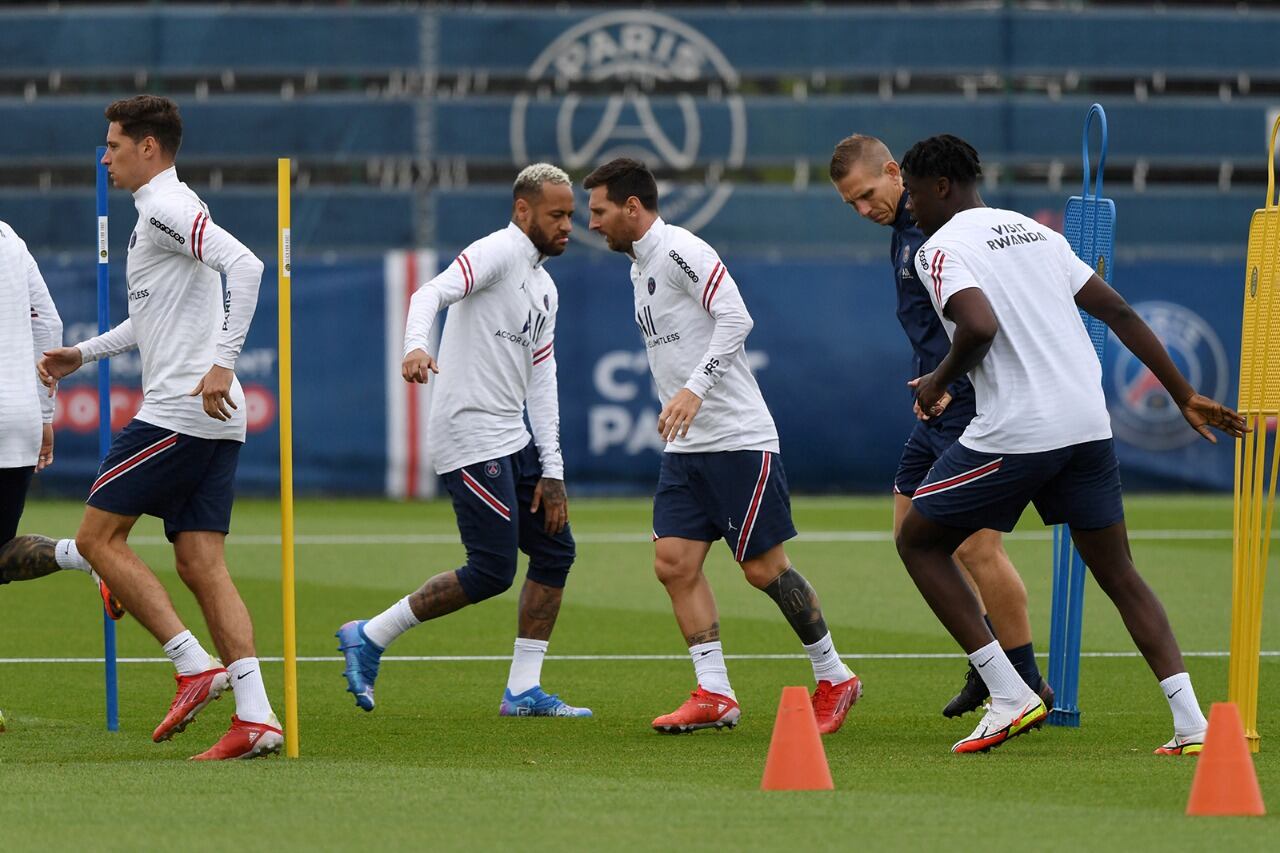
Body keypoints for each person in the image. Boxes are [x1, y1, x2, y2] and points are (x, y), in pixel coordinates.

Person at [894, 134, 1246, 754]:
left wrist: (938, 382)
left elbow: (978, 326)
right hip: (1087, 426)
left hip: (1019, 431)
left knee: (918, 542)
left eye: (915, 194)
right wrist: (1184, 393)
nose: (911, 208)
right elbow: (1120, 313)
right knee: (1120, 573)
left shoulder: (939, 248)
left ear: (942, 187)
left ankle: (1010, 694)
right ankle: (1192, 724)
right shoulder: (1038, 234)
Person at [38, 95, 280, 760]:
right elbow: (148, 321)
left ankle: (193, 664)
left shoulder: (167, 208)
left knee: (97, 538)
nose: (105, 157)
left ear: (148, 147)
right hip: (211, 420)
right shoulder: (166, 210)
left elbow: (249, 266)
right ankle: (256, 716)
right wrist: (82, 354)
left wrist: (223, 363)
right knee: (201, 563)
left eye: (114, 145)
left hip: (179, 410)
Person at [584, 158, 862, 735]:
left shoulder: (681, 249)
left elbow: (736, 317)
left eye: (599, 210)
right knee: (673, 563)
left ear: (632, 207)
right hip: (687, 449)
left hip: (737, 439)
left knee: (763, 569)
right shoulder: (639, 268)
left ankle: (835, 676)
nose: (592, 223)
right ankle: (715, 693)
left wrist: (694, 389)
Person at [337, 164, 591, 719]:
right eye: (557, 215)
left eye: (571, 215)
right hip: (471, 435)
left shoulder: (545, 288)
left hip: (514, 438)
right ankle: (370, 634)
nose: (568, 226)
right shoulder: (498, 251)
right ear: (523, 210)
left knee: (556, 550)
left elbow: (542, 381)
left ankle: (522, 690)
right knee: (493, 570)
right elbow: (430, 292)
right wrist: (414, 346)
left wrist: (553, 470)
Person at [829, 134, 1050, 718]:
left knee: (978, 547)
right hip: (934, 409)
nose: (862, 210)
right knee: (912, 534)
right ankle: (990, 665)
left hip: (971, 405)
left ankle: (1026, 682)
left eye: (866, 194)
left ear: (894, 172)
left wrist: (951, 380)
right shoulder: (903, 230)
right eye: (851, 203)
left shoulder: (941, 226)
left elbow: (983, 320)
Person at [0, 217, 122, 618]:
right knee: (1, 553)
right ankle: (81, 555)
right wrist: (43, 413)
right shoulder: (9, 236)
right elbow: (49, 324)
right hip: (17, 417)